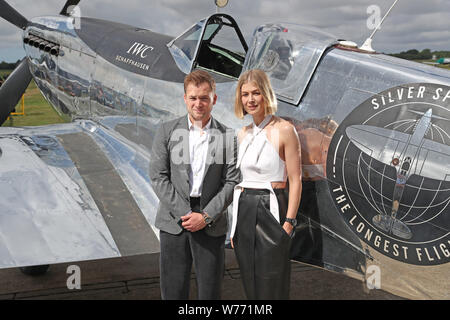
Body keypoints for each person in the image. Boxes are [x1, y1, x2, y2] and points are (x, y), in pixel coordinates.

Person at [149, 69, 240, 300]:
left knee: (210, 293)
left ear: (214, 99)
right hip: (174, 221)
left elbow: (232, 181)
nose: (198, 103)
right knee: (173, 291)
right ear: (185, 98)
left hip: (211, 221)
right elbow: (159, 176)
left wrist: (206, 216)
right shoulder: (167, 131)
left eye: (204, 98)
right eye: (193, 98)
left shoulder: (227, 136)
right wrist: (185, 212)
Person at [230, 69, 302, 300]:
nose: (250, 100)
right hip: (244, 209)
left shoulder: (284, 130)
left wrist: (289, 223)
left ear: (266, 95)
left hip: (272, 208)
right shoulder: (242, 133)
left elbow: (296, 179)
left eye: (256, 93)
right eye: (245, 94)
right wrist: (235, 225)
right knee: (250, 283)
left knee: (272, 284)